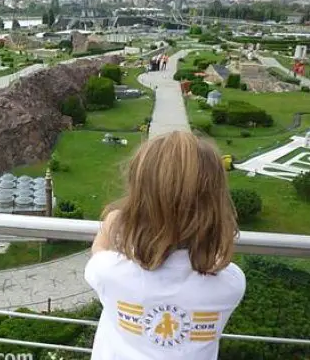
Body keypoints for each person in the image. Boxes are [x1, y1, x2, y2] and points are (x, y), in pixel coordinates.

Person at [85, 131, 246, 360]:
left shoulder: (111, 272)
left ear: (138, 203)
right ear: (216, 205)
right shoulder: (231, 284)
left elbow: (98, 252)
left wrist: (111, 221)